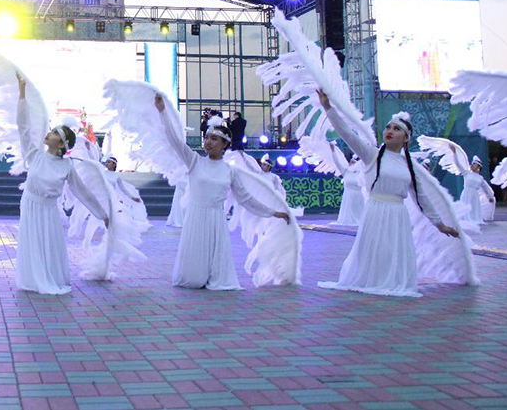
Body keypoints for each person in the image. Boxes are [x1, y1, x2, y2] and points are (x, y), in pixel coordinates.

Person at [316, 90, 475, 297]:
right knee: (375, 249)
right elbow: (347, 134)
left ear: (406, 138)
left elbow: (422, 198)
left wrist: (439, 224)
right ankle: (372, 280)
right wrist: (328, 107)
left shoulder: (409, 165)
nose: (390, 130)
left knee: (394, 250)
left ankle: (392, 282)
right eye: (388, 127)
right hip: (375, 211)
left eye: (397, 129)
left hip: (398, 214)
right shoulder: (372, 155)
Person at [154, 95, 290, 290]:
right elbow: (175, 140)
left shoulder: (230, 171)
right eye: (207, 138)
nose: (208, 142)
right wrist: (162, 112)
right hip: (195, 219)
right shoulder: (195, 161)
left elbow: (247, 199)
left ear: (225, 144)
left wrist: (273, 212)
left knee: (218, 276)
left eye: (214, 139)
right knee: (193, 280)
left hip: (216, 221)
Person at [15, 72, 109, 294]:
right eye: (51, 130)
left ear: (61, 144)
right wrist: (22, 92)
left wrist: (102, 214)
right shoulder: (34, 155)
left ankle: (50, 277)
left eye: (55, 132)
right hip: (30, 205)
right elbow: (23, 126)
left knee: (48, 244)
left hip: (48, 210)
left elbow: (83, 193)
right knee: (31, 243)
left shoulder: (66, 166)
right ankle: (32, 279)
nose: (49, 133)